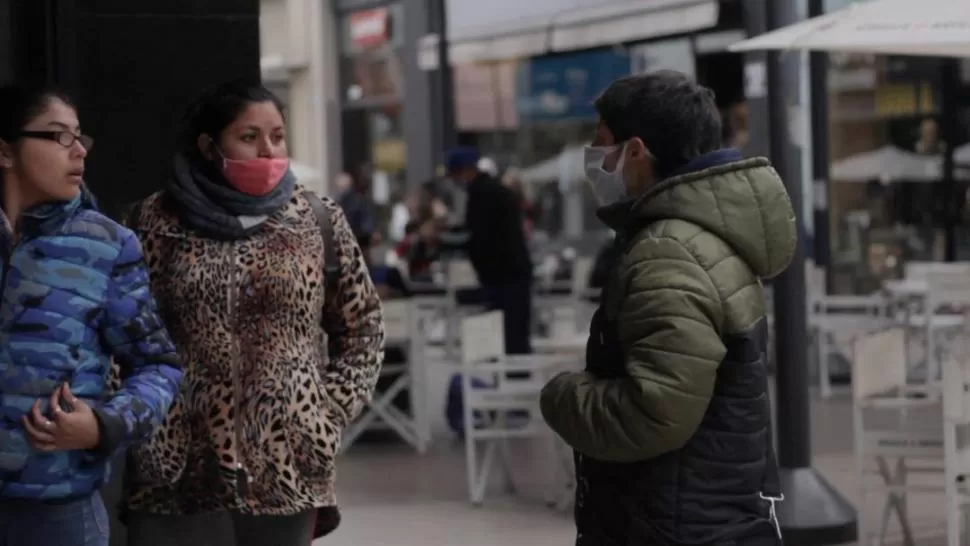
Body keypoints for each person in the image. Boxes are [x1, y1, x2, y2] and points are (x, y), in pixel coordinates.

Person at [119, 80, 384, 546]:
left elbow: (363, 326)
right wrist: (141, 424)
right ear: (208, 145)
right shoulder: (150, 222)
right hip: (176, 474)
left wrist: (326, 413)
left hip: (287, 468)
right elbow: (118, 333)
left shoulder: (316, 219)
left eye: (277, 136)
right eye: (249, 137)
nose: (267, 150)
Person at [540, 70, 796, 545]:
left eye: (601, 143)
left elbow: (655, 412)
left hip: (672, 526)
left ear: (635, 151)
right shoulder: (702, 237)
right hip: (707, 516)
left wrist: (562, 396)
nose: (593, 159)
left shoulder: (667, 252)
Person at [0, 85, 183, 545]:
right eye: (59, 136)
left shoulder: (106, 245)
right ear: (5, 151)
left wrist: (104, 425)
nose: (78, 150)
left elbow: (159, 366)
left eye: (80, 137)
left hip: (58, 512)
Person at [446, 146, 533, 354]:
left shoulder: (483, 194)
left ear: (465, 171)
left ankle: (513, 381)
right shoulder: (492, 190)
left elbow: (478, 236)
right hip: (508, 274)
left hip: (503, 276)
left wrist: (445, 241)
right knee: (513, 336)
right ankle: (515, 379)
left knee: (508, 339)